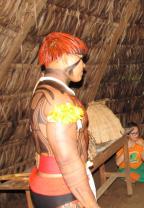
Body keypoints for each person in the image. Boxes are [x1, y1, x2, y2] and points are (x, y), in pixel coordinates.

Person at [29, 32, 99, 207]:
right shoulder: (59, 100)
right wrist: (91, 204)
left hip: (48, 183)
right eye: (81, 59)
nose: (83, 66)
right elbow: (67, 161)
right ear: (65, 58)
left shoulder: (42, 88)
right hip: (64, 190)